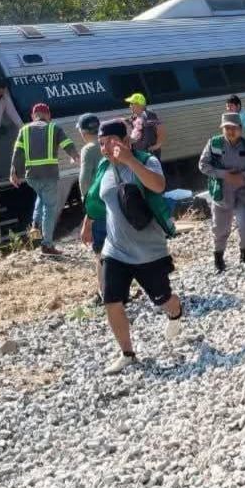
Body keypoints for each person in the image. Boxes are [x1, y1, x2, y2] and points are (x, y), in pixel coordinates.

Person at [80, 120, 183, 375]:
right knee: (111, 300)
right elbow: (96, 198)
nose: (105, 149)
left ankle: (175, 313)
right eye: (101, 143)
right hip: (115, 250)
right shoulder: (104, 166)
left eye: (110, 143)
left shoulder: (146, 161)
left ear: (125, 141)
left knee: (163, 300)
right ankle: (127, 353)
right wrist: (88, 224)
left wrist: (129, 161)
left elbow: (158, 186)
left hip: (149, 250)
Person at [198, 112, 245, 272]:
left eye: (233, 128)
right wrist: (224, 175)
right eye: (226, 128)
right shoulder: (214, 144)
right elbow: (203, 165)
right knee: (220, 229)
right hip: (222, 194)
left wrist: (244, 176)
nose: (230, 131)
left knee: (244, 225)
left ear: (240, 129)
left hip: (243, 194)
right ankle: (219, 260)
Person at [10, 103, 80, 255]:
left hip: (32, 177)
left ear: (33, 116)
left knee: (41, 197)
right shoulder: (54, 128)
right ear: (48, 115)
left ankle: (35, 224)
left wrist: (13, 172)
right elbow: (67, 144)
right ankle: (47, 244)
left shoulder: (24, 130)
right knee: (49, 208)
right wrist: (75, 156)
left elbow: (18, 152)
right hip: (49, 174)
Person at [76, 113, 105, 277]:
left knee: (100, 251)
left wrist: (87, 209)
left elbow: (84, 180)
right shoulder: (109, 142)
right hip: (115, 202)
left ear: (83, 131)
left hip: (98, 205)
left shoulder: (88, 149)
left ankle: (104, 292)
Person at [124, 92, 165, 158]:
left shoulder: (148, 115)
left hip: (148, 155)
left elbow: (160, 128)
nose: (130, 106)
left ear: (138, 104)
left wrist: (156, 146)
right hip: (139, 154)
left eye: (132, 104)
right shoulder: (134, 117)